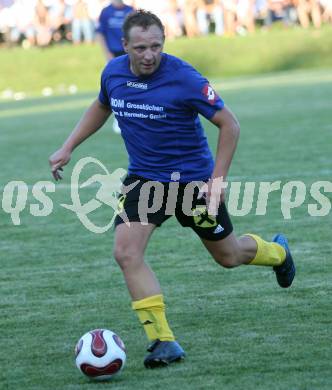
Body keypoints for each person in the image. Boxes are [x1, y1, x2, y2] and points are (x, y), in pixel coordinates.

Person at [49, 9, 296, 369]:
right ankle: (163, 340)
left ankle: (277, 253)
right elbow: (102, 105)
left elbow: (230, 125)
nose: (149, 55)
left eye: (156, 46)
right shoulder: (113, 72)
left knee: (228, 256)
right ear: (124, 46)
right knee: (126, 252)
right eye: (140, 48)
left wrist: (216, 180)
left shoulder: (185, 78)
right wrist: (69, 145)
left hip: (192, 183)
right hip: (144, 181)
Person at [96, 0, 134, 134]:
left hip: (130, 54)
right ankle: (118, 118)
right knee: (116, 87)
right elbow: (100, 33)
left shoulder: (130, 10)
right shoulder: (106, 12)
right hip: (114, 54)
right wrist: (107, 54)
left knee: (132, 86)